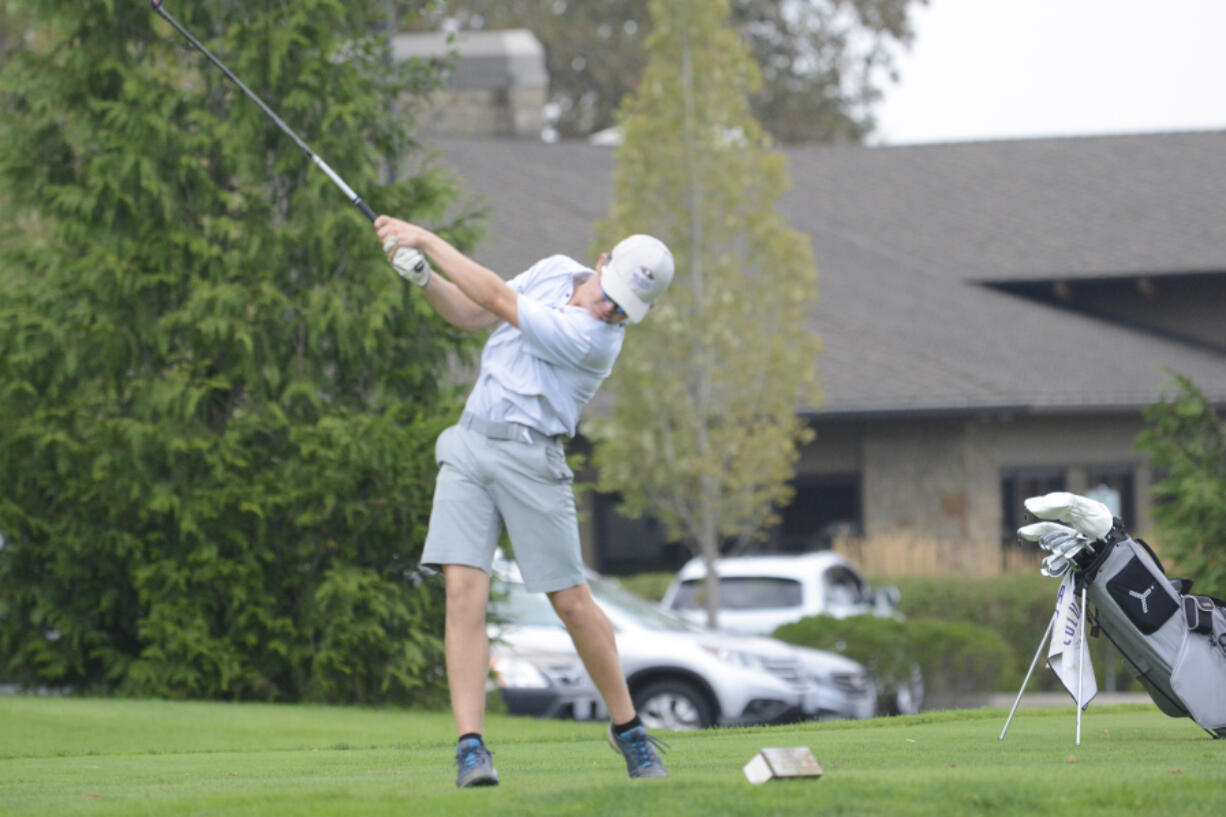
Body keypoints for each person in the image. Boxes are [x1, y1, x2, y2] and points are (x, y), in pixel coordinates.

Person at [372, 215, 675, 788]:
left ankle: (629, 728)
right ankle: (471, 749)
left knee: (573, 605)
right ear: (602, 262)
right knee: (463, 594)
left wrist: (428, 240)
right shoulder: (556, 269)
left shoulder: (596, 341)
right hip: (470, 442)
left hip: (533, 463)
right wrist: (425, 279)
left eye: (626, 310)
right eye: (611, 298)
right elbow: (471, 311)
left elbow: (495, 295)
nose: (611, 312)